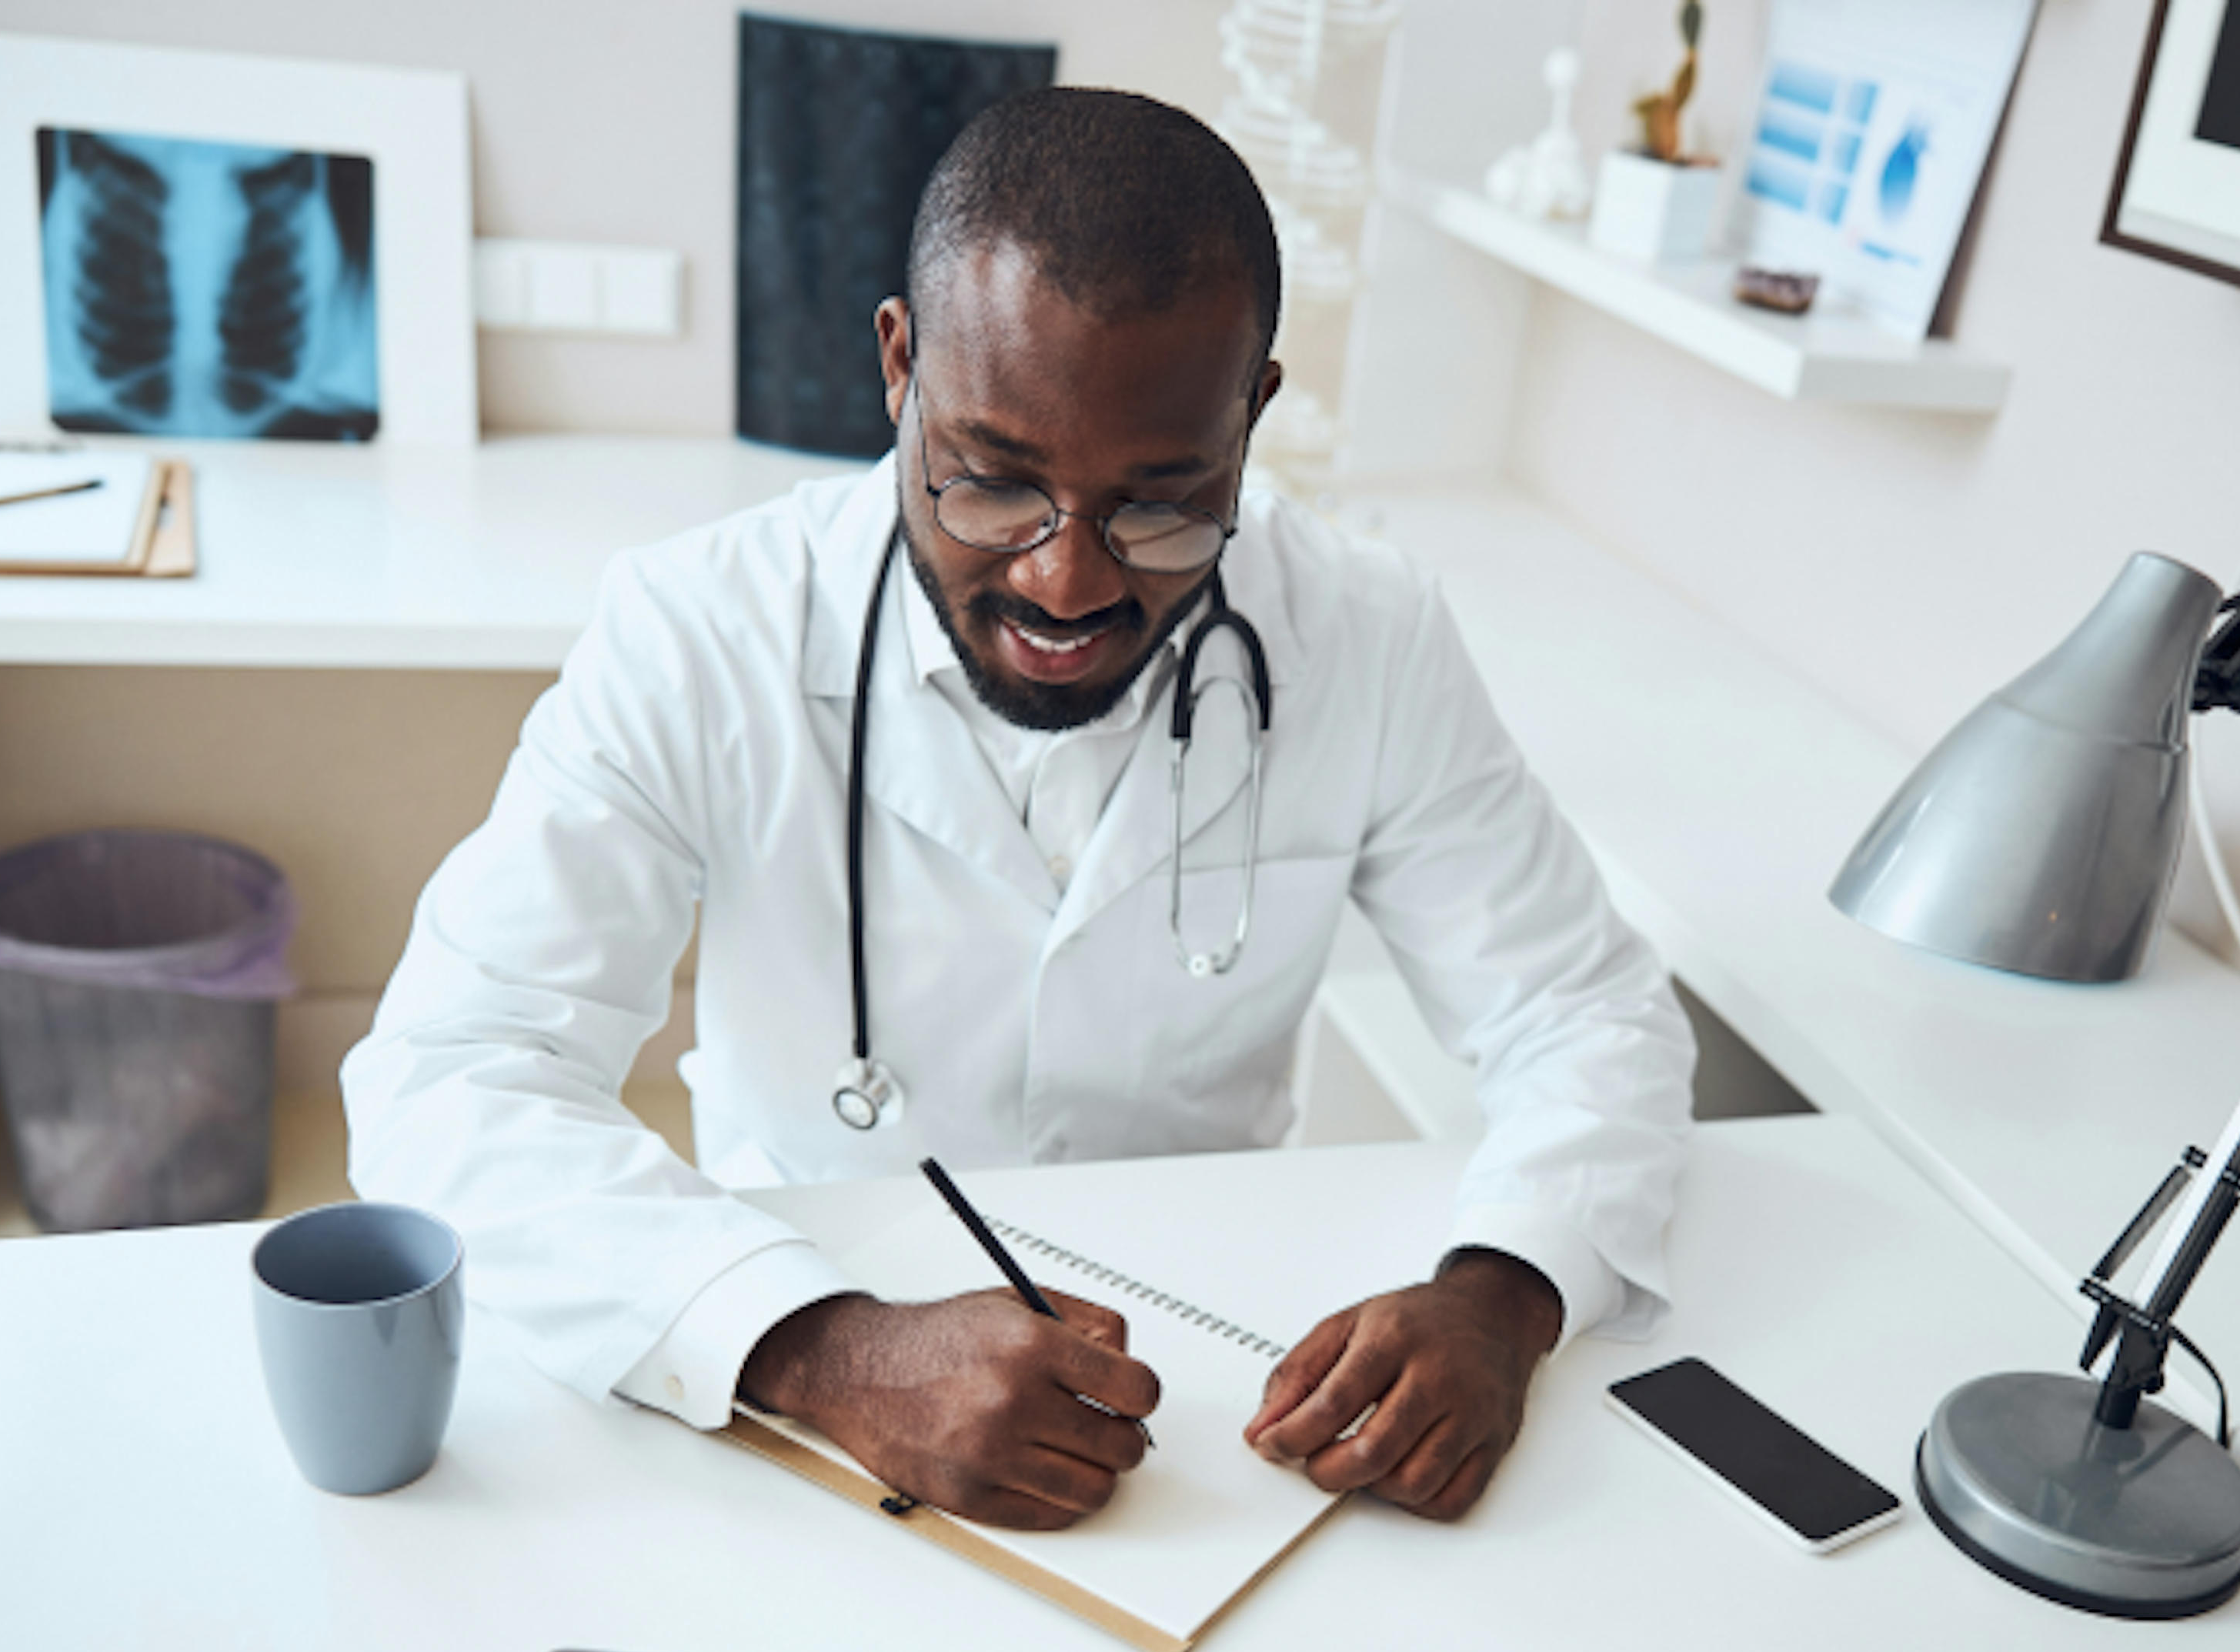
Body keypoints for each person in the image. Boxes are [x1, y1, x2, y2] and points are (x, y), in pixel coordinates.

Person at [345, 88, 1693, 1529]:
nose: (1068, 585)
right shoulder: (700, 627)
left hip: (1216, 1419)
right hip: (777, 1377)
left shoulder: (1366, 632)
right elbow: (452, 1076)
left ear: (1254, 413)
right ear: (898, 365)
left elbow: (1586, 1013)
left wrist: (1507, 1290)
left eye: (1163, 506)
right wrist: (827, 1346)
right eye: (993, 485)